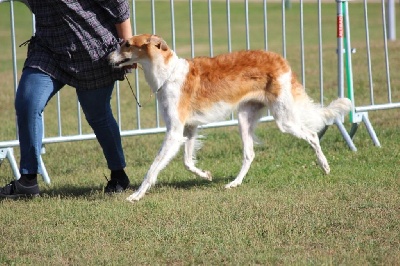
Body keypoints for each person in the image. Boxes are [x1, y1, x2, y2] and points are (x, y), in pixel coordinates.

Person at [0, 0, 133, 198]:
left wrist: (127, 47)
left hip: (92, 51)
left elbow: (118, 4)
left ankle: (118, 175)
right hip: (49, 50)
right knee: (27, 101)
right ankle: (28, 181)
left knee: (97, 114)